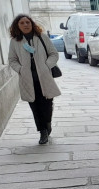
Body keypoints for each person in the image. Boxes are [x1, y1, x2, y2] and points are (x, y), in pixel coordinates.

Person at [7, 14, 61, 145]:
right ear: (17, 26)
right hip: (27, 79)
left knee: (47, 104)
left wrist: (46, 66)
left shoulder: (42, 37)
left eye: (28, 22)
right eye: (22, 23)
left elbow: (54, 54)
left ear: (31, 24)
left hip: (44, 77)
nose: (25, 25)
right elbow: (12, 60)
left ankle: (47, 123)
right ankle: (42, 131)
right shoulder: (15, 41)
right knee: (35, 106)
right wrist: (20, 69)